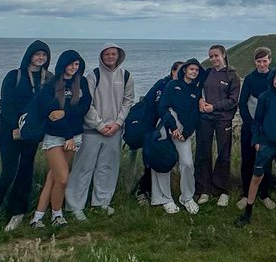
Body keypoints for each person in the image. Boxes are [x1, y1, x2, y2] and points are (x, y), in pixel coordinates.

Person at [0, 40, 51, 233]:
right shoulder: (14, 76)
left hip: (32, 133)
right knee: (8, 173)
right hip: (10, 132)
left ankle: (17, 211)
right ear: (29, 55)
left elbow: (47, 104)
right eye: (37, 54)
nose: (40, 58)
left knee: (26, 172)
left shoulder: (48, 79)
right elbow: (7, 103)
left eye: (44, 55)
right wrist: (16, 127)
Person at [66, 43, 133, 221]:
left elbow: (128, 102)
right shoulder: (92, 76)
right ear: (101, 56)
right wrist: (100, 125)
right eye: (107, 54)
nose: (111, 57)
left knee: (107, 168)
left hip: (115, 131)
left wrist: (118, 124)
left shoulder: (125, 76)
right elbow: (87, 104)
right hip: (92, 131)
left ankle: (101, 203)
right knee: (83, 168)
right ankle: (75, 206)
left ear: (119, 56)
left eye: (114, 54)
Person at [30, 50, 93, 229]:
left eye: (77, 65)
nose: (74, 68)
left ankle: (40, 216)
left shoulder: (82, 83)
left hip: (74, 136)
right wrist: (67, 135)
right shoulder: (51, 85)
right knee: (63, 178)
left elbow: (84, 107)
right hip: (56, 137)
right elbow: (50, 114)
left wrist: (66, 112)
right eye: (71, 64)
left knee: (54, 177)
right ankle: (55, 213)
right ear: (63, 64)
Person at [235, 67, 276, 230]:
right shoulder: (264, 97)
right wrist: (257, 141)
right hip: (266, 143)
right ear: (271, 80)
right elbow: (257, 121)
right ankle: (248, 211)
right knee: (257, 176)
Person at [153, 59, 204, 216]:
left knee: (187, 163)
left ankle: (187, 197)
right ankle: (164, 198)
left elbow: (195, 115)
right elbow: (162, 107)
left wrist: (186, 132)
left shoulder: (196, 91)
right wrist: (173, 127)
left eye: (196, 70)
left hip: (184, 133)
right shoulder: (172, 85)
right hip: (167, 128)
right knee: (163, 162)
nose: (194, 72)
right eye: (191, 69)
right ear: (185, 70)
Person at [195, 44, 240, 207]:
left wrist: (215, 107)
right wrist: (200, 99)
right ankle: (203, 189)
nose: (213, 59)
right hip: (205, 119)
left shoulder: (232, 75)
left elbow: (233, 101)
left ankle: (222, 191)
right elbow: (198, 89)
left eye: (216, 56)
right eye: (211, 56)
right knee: (203, 153)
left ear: (224, 55)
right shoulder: (207, 73)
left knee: (223, 154)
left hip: (223, 119)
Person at [133, 61, 182, 206]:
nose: (182, 74)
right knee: (152, 161)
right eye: (179, 71)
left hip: (170, 130)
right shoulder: (161, 84)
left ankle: (161, 193)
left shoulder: (182, 87)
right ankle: (143, 191)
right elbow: (149, 103)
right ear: (173, 71)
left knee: (166, 159)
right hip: (154, 129)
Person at [237, 47, 276, 212]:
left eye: (265, 60)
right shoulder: (249, 79)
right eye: (259, 61)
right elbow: (242, 103)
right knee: (248, 161)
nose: (262, 64)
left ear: (270, 60)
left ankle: (264, 194)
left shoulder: (274, 78)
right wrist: (251, 124)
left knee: (266, 163)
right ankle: (246, 194)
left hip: (267, 130)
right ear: (255, 62)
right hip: (250, 127)